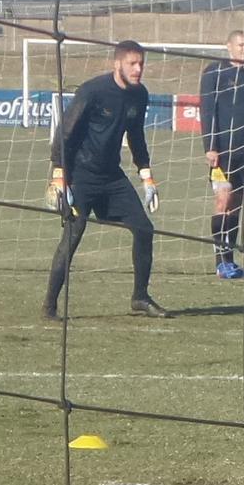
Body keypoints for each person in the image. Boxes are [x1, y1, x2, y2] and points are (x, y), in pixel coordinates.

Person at [43, 39, 166, 321]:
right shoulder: (92, 91)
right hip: (80, 175)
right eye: (132, 63)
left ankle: (140, 297)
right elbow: (64, 133)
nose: (138, 69)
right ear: (117, 64)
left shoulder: (140, 95)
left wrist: (146, 175)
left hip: (112, 177)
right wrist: (59, 175)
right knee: (73, 235)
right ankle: (49, 305)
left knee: (144, 229)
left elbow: (136, 136)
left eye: (141, 63)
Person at [198, 30, 244, 279]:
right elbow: (207, 111)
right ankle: (220, 262)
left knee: (236, 205)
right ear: (228, 46)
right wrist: (210, 146)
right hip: (222, 150)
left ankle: (230, 260)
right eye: (240, 45)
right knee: (222, 200)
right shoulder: (214, 72)